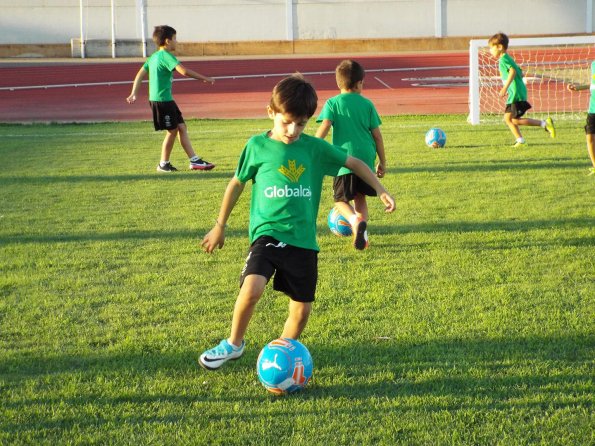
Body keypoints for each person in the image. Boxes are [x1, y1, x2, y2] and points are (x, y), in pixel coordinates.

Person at [198, 74, 396, 370]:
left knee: (301, 312)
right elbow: (237, 184)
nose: (293, 130)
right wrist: (220, 225)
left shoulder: (314, 149)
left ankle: (279, 354)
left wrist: (380, 189)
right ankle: (233, 344)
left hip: (303, 240)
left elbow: (353, 162)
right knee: (251, 289)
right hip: (268, 234)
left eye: (301, 124)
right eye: (286, 122)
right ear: (271, 113)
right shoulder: (257, 146)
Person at [315, 59, 386, 250]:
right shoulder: (367, 104)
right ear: (359, 84)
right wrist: (383, 162)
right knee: (360, 197)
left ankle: (354, 221)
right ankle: (363, 234)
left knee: (340, 200)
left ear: (339, 83)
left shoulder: (333, 103)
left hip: (344, 160)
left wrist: (314, 147)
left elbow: (325, 126)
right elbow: (377, 136)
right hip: (366, 158)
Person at [126, 25, 216, 172]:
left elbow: (140, 74)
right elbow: (184, 71)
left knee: (181, 127)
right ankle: (163, 164)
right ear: (168, 41)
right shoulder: (166, 56)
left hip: (165, 99)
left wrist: (134, 92)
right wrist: (204, 78)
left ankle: (195, 161)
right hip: (162, 101)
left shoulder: (153, 57)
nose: (177, 42)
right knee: (172, 131)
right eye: (175, 39)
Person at [488, 32, 556, 147]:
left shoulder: (503, 60)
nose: (490, 50)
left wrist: (505, 87)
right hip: (515, 92)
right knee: (508, 118)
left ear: (499, 47)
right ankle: (520, 140)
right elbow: (519, 71)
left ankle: (544, 124)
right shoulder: (508, 58)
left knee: (514, 120)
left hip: (516, 93)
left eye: (491, 48)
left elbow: (513, 72)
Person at [567, 74, 595, 175]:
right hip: (592, 109)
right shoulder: (593, 64)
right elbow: (592, 84)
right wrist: (578, 88)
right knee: (590, 137)